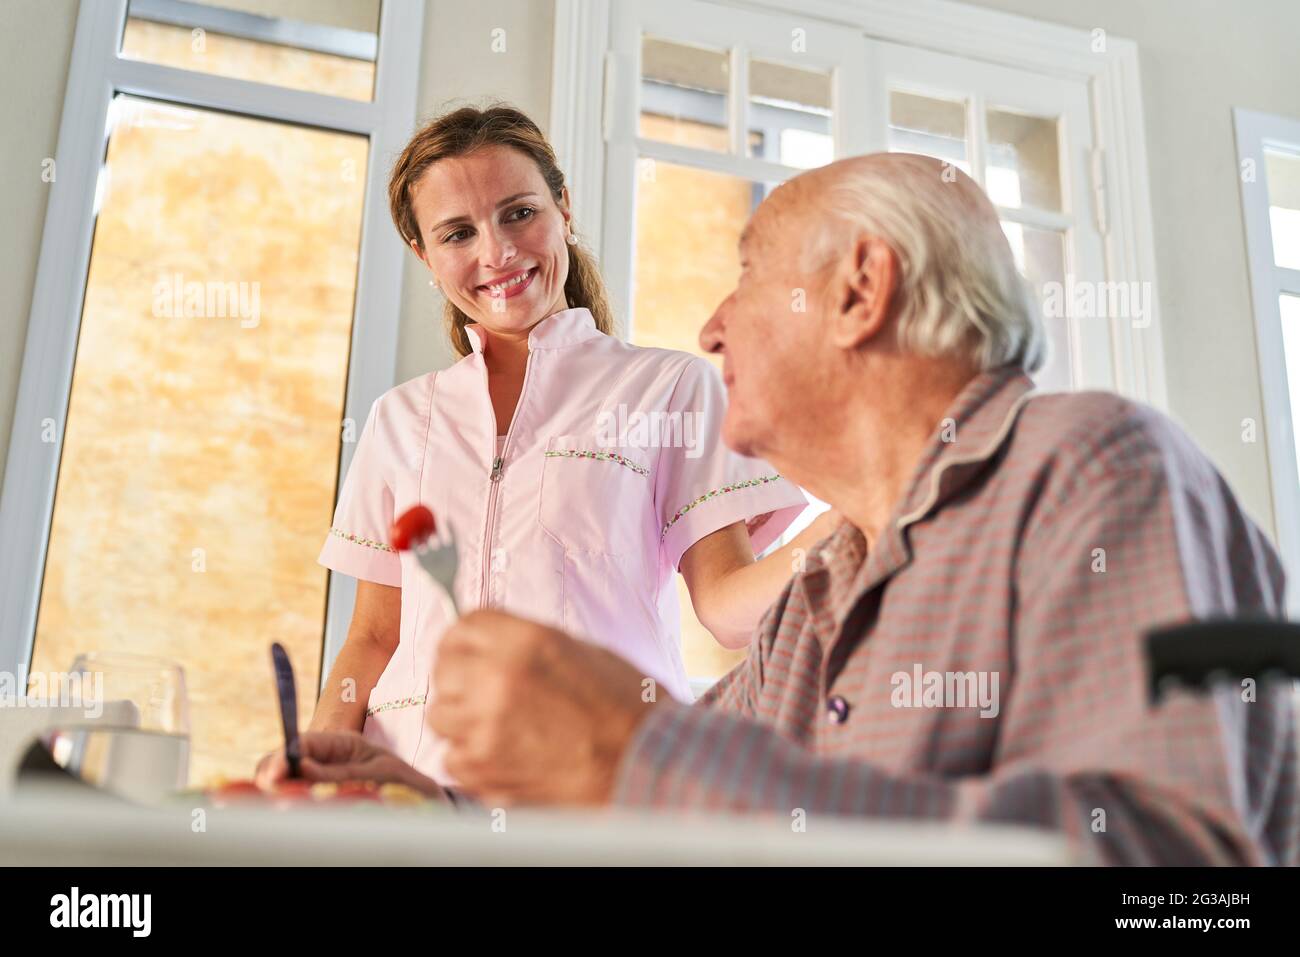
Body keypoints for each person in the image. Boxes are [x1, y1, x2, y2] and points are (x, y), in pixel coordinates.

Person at [259, 152, 1298, 866]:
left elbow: (1176, 878)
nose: (710, 330)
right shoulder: (820, 590)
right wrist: (428, 805)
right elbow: (691, 794)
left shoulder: (1092, 468)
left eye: (746, 274)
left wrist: (630, 749)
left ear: (859, 290)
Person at [272, 105, 833, 785]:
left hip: (594, 791)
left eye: (518, 213)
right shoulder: (398, 419)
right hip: (410, 796)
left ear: (563, 206)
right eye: (457, 233)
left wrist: (863, 518)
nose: (497, 253)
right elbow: (373, 637)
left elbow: (726, 607)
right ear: (424, 254)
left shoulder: (667, 388)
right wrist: (316, 766)